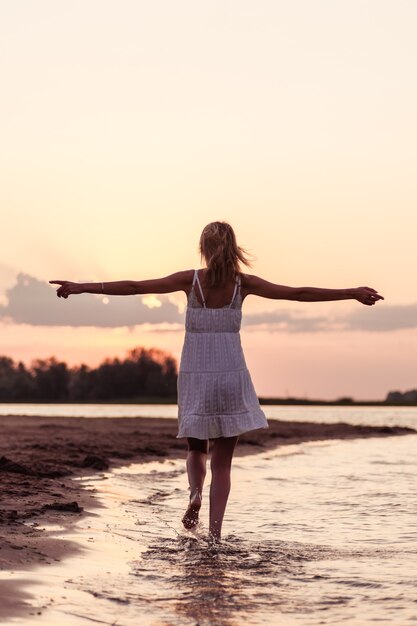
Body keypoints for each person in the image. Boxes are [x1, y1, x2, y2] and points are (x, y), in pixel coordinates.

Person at [50, 220, 384, 542]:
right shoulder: (243, 283)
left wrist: (83, 287)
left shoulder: (190, 280)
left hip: (197, 374)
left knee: (196, 448)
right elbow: (298, 294)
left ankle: (195, 493)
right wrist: (350, 292)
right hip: (231, 375)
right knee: (223, 464)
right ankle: (215, 536)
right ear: (234, 248)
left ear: (203, 249)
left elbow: (137, 287)